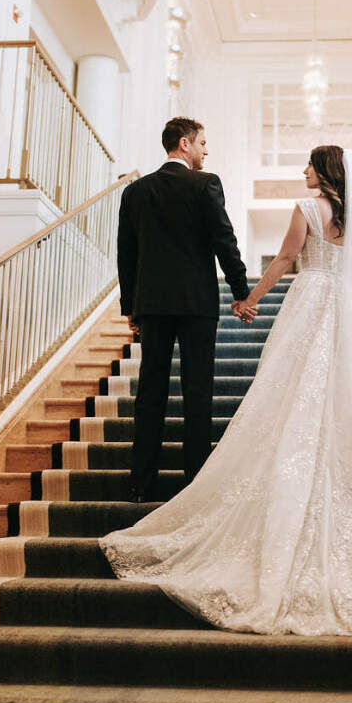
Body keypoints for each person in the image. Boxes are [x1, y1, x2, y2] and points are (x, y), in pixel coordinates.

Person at [102, 145, 352, 635]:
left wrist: (250, 297)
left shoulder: (307, 208)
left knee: (292, 392)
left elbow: (288, 257)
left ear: (324, 170)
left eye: (309, 165)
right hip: (347, 310)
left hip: (312, 299)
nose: (304, 171)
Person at [117, 116, 254, 503]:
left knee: (150, 391)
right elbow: (224, 242)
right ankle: (194, 481)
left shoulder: (136, 191)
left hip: (153, 305)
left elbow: (126, 254)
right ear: (184, 144)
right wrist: (241, 291)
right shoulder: (205, 184)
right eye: (202, 143)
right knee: (197, 390)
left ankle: (140, 483)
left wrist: (131, 306)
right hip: (196, 303)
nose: (205, 150)